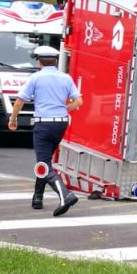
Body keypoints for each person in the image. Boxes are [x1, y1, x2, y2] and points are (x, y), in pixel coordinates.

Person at [8, 46, 83, 216]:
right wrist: (64, 109)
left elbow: (19, 101)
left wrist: (13, 119)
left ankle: (65, 195)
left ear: (39, 61)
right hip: (61, 123)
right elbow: (78, 101)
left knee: (43, 166)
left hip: (43, 124)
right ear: (55, 61)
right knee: (46, 161)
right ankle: (38, 197)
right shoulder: (66, 78)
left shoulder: (36, 77)